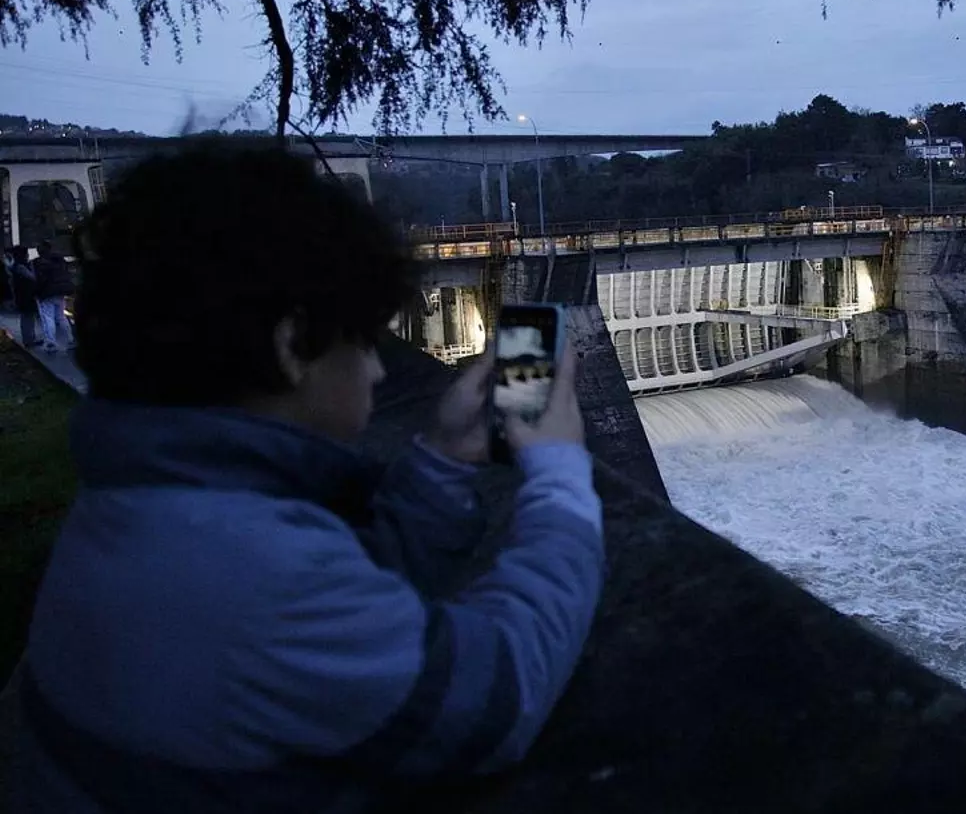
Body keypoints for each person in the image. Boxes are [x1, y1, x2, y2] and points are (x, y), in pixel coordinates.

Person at [12, 144, 606, 812]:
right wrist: (560, 473)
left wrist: (442, 463)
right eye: (366, 340)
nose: (378, 371)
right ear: (294, 346)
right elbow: (497, 694)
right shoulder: (253, 579)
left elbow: (340, 588)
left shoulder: (139, 507)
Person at [29, 240, 74, 353]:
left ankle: (51, 343)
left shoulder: (38, 263)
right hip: (61, 292)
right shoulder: (59, 259)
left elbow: (38, 280)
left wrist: (37, 293)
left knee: (48, 318)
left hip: (47, 293)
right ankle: (70, 339)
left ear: (39, 251)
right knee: (61, 317)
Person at [5, 245, 40, 347]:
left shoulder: (14, 266)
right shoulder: (20, 267)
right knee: (28, 318)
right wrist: (32, 267)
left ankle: (29, 339)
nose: (28, 256)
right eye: (26, 254)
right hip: (26, 296)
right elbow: (32, 277)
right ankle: (29, 340)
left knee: (26, 318)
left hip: (21, 295)